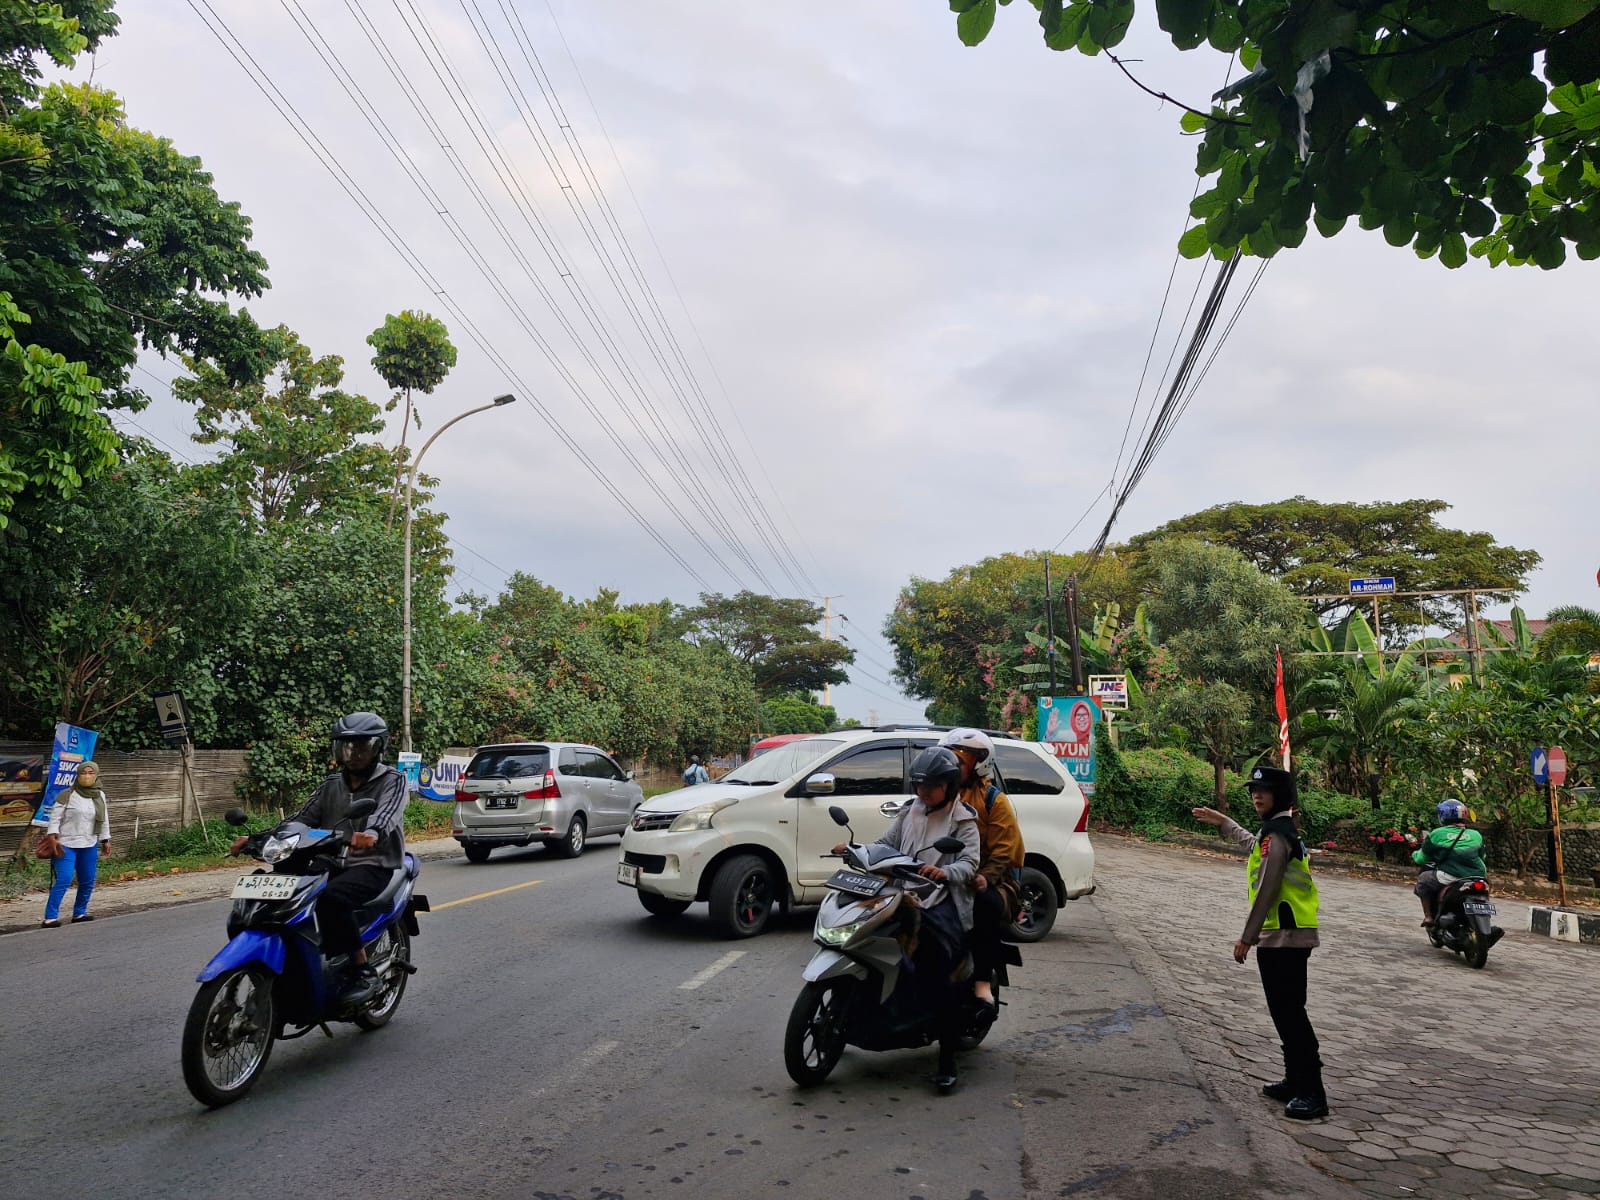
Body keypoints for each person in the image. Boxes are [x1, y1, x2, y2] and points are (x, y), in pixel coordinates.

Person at [231, 712, 408, 1004]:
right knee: (281, 888)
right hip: (330, 859)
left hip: (373, 862)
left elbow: (386, 814)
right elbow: (300, 819)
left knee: (332, 899)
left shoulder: (393, 780)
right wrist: (258, 839)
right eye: (347, 747)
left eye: (362, 747)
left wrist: (372, 833)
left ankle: (361, 968)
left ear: (379, 748)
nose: (354, 754)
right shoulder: (331, 785)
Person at [834, 745, 980, 1093]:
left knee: (938, 967)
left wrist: (945, 872)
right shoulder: (910, 810)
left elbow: (970, 863)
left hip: (940, 899)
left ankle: (947, 1058)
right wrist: (856, 850)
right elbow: (886, 843)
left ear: (949, 786)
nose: (923, 792)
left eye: (931, 786)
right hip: (902, 892)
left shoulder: (964, 821)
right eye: (919, 785)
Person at [1192, 765, 1327, 1121]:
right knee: (1285, 1011)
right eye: (1254, 790)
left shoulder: (1279, 834)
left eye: (1264, 791)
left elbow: (1267, 888)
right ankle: (1295, 1080)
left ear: (1281, 795)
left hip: (1285, 936)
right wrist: (1224, 822)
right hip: (1285, 935)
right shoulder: (1276, 832)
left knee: (1290, 1013)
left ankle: (1312, 1092)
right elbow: (1254, 847)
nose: (1257, 796)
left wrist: (1246, 938)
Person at [939, 728, 1023, 1017]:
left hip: (994, 882)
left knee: (984, 906)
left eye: (960, 760)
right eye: (949, 759)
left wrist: (985, 877)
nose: (953, 766)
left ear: (979, 763)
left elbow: (1005, 852)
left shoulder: (994, 801)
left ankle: (982, 982)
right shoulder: (939, 796)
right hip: (944, 874)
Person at [41, 761, 111, 928]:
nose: (87, 776)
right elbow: (55, 818)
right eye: (83, 773)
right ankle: (50, 917)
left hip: (89, 843)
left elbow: (104, 819)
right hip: (66, 844)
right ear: (78, 775)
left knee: (87, 880)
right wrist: (52, 836)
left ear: (97, 775)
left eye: (91, 773)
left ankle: (79, 913)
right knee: (64, 879)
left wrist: (105, 840)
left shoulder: (99, 795)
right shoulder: (67, 795)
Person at [1412, 799, 1488, 927]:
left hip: (1451, 876)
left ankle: (1428, 917)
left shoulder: (1437, 834)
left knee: (1424, 879)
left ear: (1443, 816)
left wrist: (1414, 854)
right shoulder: (1476, 835)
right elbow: (1483, 856)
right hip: (1478, 877)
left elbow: (1421, 859)